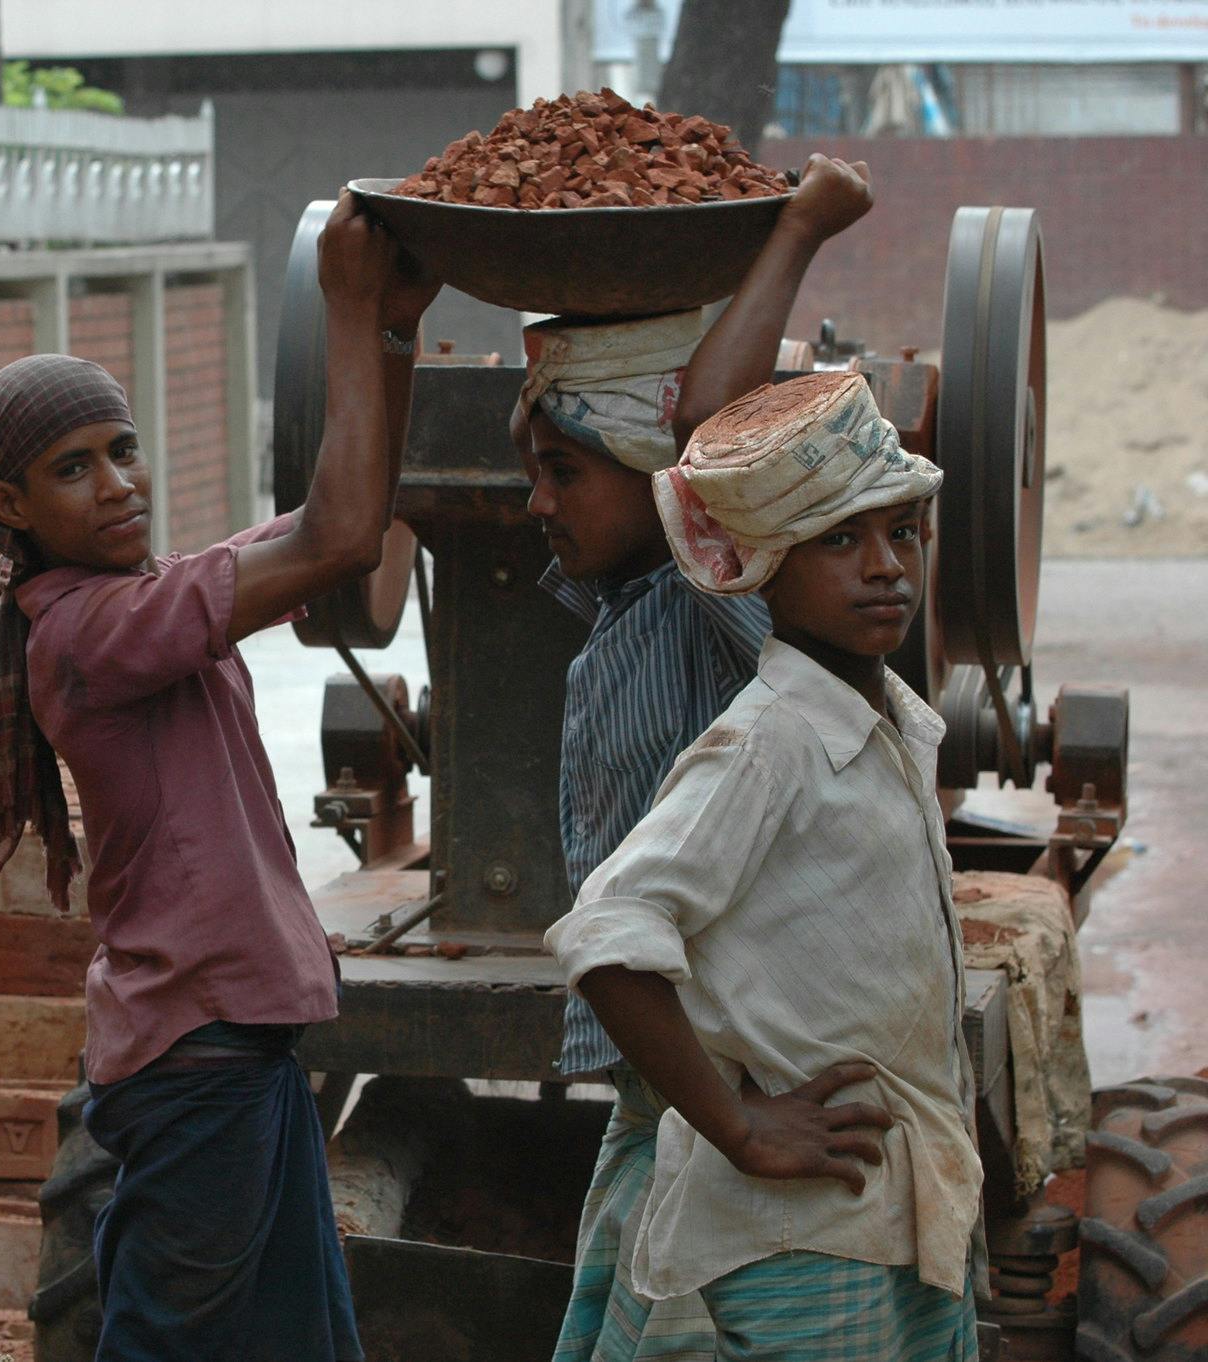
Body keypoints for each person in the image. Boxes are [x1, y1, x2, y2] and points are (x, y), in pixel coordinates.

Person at [0, 193, 438, 1362]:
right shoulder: (89, 632)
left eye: (122, 450)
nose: (116, 483)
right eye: (73, 469)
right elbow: (332, 541)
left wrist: (390, 338)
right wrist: (348, 307)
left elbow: (351, 528)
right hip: (196, 1059)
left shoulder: (147, 596)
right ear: (10, 508)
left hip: (240, 1048)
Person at [548, 371, 980, 1362]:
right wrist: (737, 1127)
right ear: (757, 568)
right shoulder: (768, 741)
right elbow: (606, 932)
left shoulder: (891, 724)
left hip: (888, 1222)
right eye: (837, 541)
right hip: (801, 1245)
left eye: (900, 534)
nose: (884, 569)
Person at [525, 154, 878, 1362]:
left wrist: (798, 228)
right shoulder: (616, 622)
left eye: (559, 471)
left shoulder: (716, 595)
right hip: (668, 1089)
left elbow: (707, 439)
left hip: (736, 1074)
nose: (533, 504)